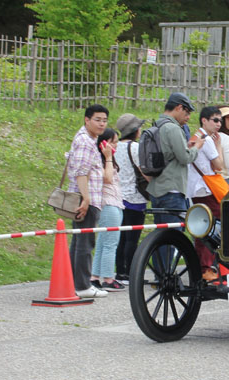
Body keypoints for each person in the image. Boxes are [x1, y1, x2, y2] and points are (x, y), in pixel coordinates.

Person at [146, 93, 204, 272]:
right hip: (172, 189)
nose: (187, 118)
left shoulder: (157, 124)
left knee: (160, 237)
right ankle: (167, 276)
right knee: (173, 237)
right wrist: (196, 148)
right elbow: (184, 157)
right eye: (187, 113)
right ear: (179, 107)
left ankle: (160, 275)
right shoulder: (172, 128)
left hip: (158, 188)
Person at [67, 104, 110, 298]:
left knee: (79, 243)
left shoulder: (87, 139)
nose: (102, 124)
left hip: (87, 197)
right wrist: (86, 198)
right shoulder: (85, 141)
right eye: (97, 120)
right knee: (85, 244)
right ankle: (83, 285)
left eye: (104, 120)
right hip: (86, 198)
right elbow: (81, 172)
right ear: (87, 120)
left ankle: (73, 283)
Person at [187, 106, 226, 283]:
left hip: (196, 189)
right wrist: (218, 146)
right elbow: (219, 166)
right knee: (212, 227)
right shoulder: (207, 140)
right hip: (206, 188)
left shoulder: (195, 137)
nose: (219, 124)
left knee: (202, 228)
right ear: (204, 120)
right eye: (215, 120)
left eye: (220, 121)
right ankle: (207, 267)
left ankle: (202, 268)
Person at [113, 114, 148, 285]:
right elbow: (144, 171)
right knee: (132, 238)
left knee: (121, 237)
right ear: (135, 130)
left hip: (118, 197)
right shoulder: (135, 148)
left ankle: (120, 272)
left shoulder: (115, 147)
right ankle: (130, 273)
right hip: (135, 197)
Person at [90, 128, 125, 291]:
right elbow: (108, 178)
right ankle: (108, 279)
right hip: (108, 204)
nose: (116, 145)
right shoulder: (101, 160)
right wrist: (108, 157)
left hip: (115, 203)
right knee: (110, 243)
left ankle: (95, 276)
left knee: (104, 241)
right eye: (113, 142)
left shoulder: (107, 159)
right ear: (104, 143)